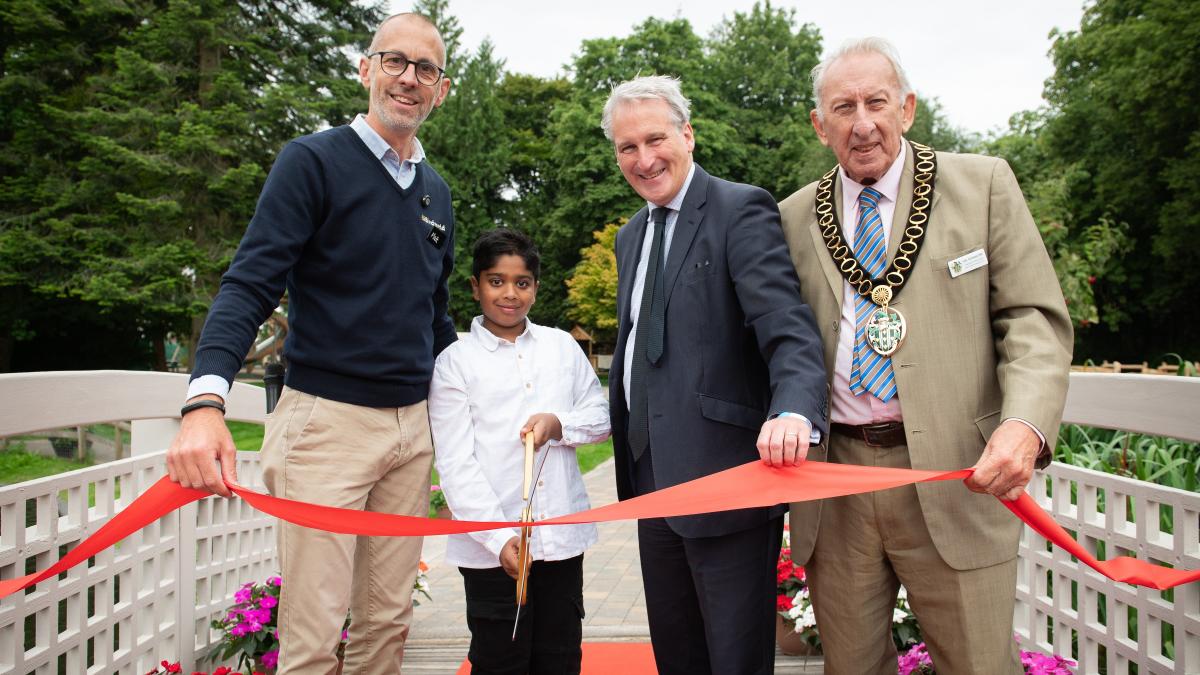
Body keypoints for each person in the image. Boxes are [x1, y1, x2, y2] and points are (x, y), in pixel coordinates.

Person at [165, 13, 455, 674]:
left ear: (442, 89)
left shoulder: (436, 192)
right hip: (327, 424)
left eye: (426, 69)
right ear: (366, 69)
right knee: (314, 633)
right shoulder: (313, 161)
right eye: (395, 61)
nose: (409, 78)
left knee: (387, 622)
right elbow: (249, 283)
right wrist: (205, 398)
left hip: (413, 431)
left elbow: (436, 319)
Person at [778, 38, 1073, 674]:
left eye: (876, 102)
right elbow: (779, 340)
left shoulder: (982, 184)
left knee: (978, 664)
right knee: (851, 666)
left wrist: (1023, 426)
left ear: (907, 108)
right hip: (839, 486)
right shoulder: (792, 217)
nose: (862, 123)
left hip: (957, 476)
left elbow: (1033, 319)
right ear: (819, 124)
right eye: (842, 107)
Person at [602, 75, 827, 674]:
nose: (644, 159)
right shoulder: (630, 237)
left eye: (655, 139)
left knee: (735, 662)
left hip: (725, 481)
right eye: (627, 147)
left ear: (688, 135)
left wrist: (795, 409)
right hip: (651, 486)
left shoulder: (739, 208)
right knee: (679, 658)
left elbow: (786, 326)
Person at [428, 228, 610, 675]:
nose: (510, 294)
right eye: (496, 281)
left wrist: (558, 425)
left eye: (522, 282)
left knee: (560, 656)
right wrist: (499, 538)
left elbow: (602, 419)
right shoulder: (455, 362)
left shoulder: (561, 348)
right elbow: (455, 464)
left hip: (561, 542)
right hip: (493, 550)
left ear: (535, 287)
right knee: (499, 658)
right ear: (475, 287)